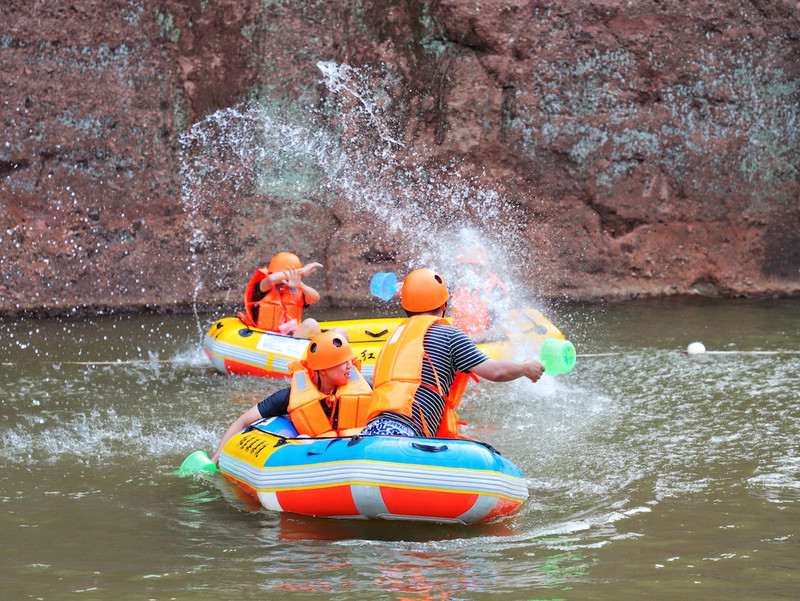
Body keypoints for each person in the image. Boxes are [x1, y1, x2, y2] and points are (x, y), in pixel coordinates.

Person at [360, 268, 544, 439]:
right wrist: (526, 367)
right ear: (445, 305)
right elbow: (496, 372)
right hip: (408, 433)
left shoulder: (394, 338)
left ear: (405, 307)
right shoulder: (450, 335)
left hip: (370, 430)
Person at [210, 330, 373, 465]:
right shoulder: (288, 397)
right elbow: (243, 422)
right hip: (317, 460)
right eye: (343, 362)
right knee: (303, 439)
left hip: (356, 450)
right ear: (322, 370)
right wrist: (215, 458)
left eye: (349, 360)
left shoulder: (365, 388)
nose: (350, 366)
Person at [238, 251, 323, 338]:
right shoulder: (262, 286)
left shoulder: (297, 289)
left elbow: (315, 298)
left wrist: (300, 285)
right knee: (310, 324)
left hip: (290, 338)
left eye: (287, 282)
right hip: (263, 337)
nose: (283, 285)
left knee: (333, 329)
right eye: (281, 281)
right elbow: (272, 279)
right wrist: (301, 271)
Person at [450, 243, 511, 342]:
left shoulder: (496, 290)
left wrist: (466, 340)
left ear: (478, 267)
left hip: (485, 346)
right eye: (459, 267)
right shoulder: (459, 284)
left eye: (463, 267)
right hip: (461, 343)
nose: (459, 271)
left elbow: (500, 330)